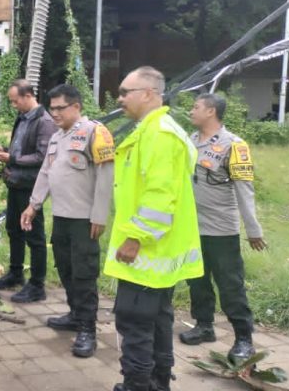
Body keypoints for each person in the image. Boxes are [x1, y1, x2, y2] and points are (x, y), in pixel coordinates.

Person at [105, 66, 203, 391]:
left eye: (124, 92)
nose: (119, 99)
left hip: (147, 251)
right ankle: (159, 382)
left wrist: (136, 237)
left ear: (148, 94)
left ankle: (137, 385)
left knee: (134, 322)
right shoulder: (155, 129)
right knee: (158, 319)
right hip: (160, 253)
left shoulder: (159, 134)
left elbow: (160, 196)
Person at [20, 84, 114, 358]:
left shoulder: (95, 133)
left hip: (84, 220)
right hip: (61, 217)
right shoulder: (57, 137)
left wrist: (99, 214)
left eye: (60, 108)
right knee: (65, 268)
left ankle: (88, 329)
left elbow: (106, 176)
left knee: (84, 274)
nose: (55, 113)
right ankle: (75, 314)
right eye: (52, 108)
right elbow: (46, 173)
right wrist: (33, 205)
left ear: (76, 106)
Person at [179, 93, 266, 363]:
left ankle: (243, 339)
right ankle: (204, 326)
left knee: (230, 285)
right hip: (193, 227)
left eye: (196, 107)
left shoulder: (234, 145)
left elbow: (244, 189)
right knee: (197, 280)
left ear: (211, 111)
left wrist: (253, 229)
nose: (191, 111)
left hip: (221, 229)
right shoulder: (190, 141)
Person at [0, 79, 57, 302]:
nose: (14, 105)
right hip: (15, 183)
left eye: (15, 100)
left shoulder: (44, 122)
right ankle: (15, 274)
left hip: (31, 186)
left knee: (34, 236)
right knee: (14, 230)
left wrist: (13, 158)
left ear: (28, 96)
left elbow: (42, 156)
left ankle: (37, 285)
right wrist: (5, 151)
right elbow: (21, 150)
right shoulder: (23, 118)